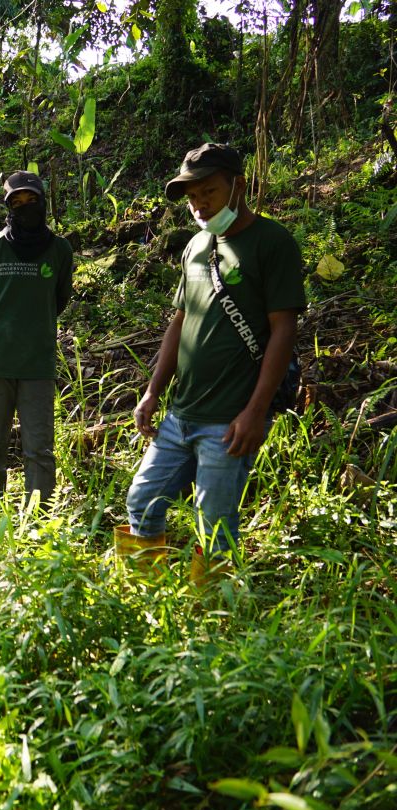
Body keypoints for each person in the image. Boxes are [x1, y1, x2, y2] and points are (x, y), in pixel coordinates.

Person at [120, 143, 304, 582]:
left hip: (229, 420)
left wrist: (255, 412)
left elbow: (284, 330)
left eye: (209, 192)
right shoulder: (196, 246)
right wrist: (152, 392)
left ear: (238, 186)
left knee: (215, 524)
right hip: (181, 414)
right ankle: (146, 596)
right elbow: (180, 322)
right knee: (142, 500)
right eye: (192, 197)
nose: (200, 205)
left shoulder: (272, 243)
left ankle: (214, 622)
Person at [0, 171, 73, 509]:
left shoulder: (59, 250)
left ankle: (39, 523)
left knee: (39, 449)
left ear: (43, 202)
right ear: (8, 206)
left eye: (31, 200)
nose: (25, 207)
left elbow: (59, 300)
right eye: (17, 201)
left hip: (37, 363)